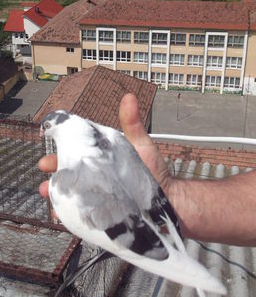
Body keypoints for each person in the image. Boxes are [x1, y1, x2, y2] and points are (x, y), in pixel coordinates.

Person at [39, 93, 256, 247]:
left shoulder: (104, 139)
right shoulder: (101, 138)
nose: (41, 133)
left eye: (45, 128)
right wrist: (168, 197)